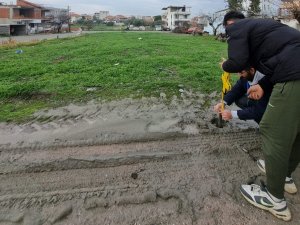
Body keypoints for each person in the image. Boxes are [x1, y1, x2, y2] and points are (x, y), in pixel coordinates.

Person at [222, 11, 300, 221]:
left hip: (293, 80)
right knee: (297, 131)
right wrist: (263, 86)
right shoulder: (273, 38)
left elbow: (235, 62)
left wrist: (225, 66)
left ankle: (274, 199)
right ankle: (284, 176)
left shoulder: (236, 28)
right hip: (293, 72)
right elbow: (282, 63)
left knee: (272, 130)